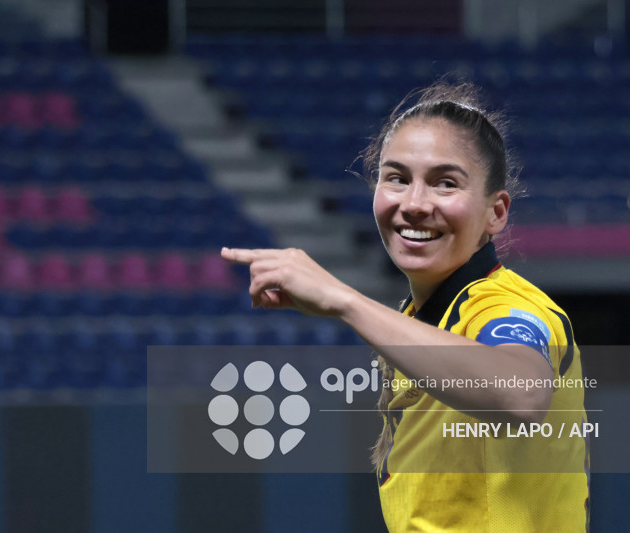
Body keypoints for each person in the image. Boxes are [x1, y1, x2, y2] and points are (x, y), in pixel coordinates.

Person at [221, 82, 589, 532]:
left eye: (445, 183)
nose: (414, 204)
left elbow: (521, 395)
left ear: (496, 213)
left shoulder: (506, 306)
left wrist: (344, 300)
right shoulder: (420, 321)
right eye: (396, 178)